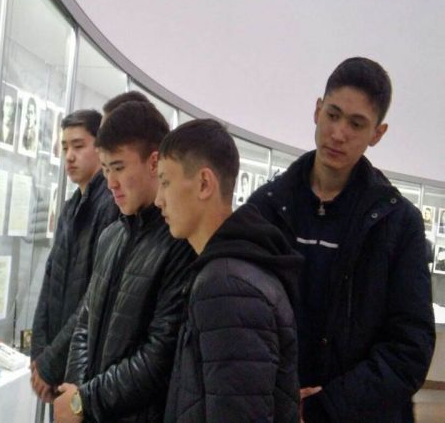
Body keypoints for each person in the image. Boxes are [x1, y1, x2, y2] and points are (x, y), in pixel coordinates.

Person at [248, 57, 435, 422]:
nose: (338, 133)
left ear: (377, 134)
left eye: (356, 123)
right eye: (333, 115)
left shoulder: (399, 224)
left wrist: (325, 407)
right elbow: (243, 315)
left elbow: (410, 348)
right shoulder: (265, 207)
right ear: (317, 110)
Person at [41, 101, 195, 422]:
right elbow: (85, 324)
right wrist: (77, 393)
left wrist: (84, 400)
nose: (110, 181)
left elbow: (159, 354)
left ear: (154, 162)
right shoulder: (111, 236)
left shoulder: (179, 242)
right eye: (106, 168)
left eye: (119, 167)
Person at [156, 119, 302, 422]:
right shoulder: (233, 271)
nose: (159, 200)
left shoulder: (226, 285)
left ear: (204, 184)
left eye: (166, 182)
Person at [31, 110, 118, 399]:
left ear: (100, 147)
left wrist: (50, 361)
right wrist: (39, 355)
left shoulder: (110, 207)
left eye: (79, 146)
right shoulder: (70, 207)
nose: (69, 156)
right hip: (56, 360)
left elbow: (94, 296)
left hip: (81, 365)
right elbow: (50, 278)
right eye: (65, 147)